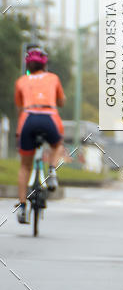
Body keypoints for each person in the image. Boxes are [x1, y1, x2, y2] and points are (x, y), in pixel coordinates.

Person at [14, 47, 66, 224]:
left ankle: (22, 208)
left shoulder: (21, 80)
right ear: (45, 64)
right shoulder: (53, 78)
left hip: (28, 119)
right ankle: (52, 171)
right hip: (49, 118)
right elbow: (61, 101)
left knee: (24, 166)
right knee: (58, 144)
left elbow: (20, 107)